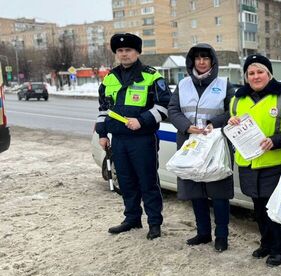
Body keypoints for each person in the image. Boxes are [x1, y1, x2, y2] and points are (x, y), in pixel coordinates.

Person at [96, 33, 171, 240]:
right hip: (119, 140)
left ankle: (154, 222)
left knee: (147, 182)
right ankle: (132, 219)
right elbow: (103, 109)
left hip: (143, 139)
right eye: (120, 51)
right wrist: (102, 134)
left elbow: (165, 106)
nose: (124, 54)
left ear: (137, 52)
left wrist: (142, 120)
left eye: (128, 50)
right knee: (126, 182)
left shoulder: (151, 76)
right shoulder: (109, 78)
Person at [167, 43, 235, 252]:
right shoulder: (184, 84)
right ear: (192, 61)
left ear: (212, 61)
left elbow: (233, 110)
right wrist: (187, 127)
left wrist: (215, 122)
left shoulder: (224, 84)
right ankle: (203, 232)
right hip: (190, 143)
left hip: (216, 143)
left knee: (219, 191)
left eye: (206, 58)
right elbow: (173, 109)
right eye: (198, 58)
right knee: (195, 190)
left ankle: (221, 236)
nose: (202, 61)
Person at [227, 54, 281, 267]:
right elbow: (232, 125)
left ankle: (280, 248)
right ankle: (266, 242)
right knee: (257, 207)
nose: (256, 77)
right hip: (248, 162)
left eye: (260, 72)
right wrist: (232, 122)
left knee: (274, 208)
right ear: (246, 77)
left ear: (269, 73)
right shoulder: (237, 99)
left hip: (273, 162)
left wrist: (275, 141)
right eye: (251, 73)